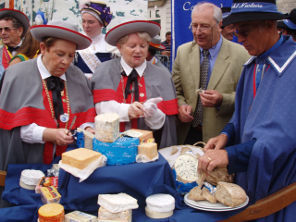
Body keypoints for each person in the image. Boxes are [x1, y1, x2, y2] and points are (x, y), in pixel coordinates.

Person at [198, 0, 296, 220]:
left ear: (271, 25)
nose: (239, 39)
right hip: (249, 176)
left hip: (280, 184)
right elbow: (243, 117)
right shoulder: (253, 64)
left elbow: (278, 140)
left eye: (245, 32)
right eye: (236, 33)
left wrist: (229, 155)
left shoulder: (292, 66)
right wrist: (226, 134)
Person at [0, 20, 96, 171]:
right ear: (43, 48)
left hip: (69, 165)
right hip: (27, 164)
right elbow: (11, 129)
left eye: (71, 56)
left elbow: (85, 116)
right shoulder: (16, 75)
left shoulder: (77, 76)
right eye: (60, 54)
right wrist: (47, 134)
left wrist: (88, 129)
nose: (65, 62)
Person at [92, 20, 178, 148]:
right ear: (120, 47)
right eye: (132, 46)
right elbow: (100, 109)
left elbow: (165, 124)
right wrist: (128, 110)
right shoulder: (104, 70)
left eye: (143, 46)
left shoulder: (162, 75)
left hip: (148, 149)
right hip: (110, 147)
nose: (138, 51)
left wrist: (153, 114)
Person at [172, 2, 249, 145]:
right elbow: (175, 91)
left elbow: (248, 98)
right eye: (194, 25)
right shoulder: (182, 52)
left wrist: (222, 100)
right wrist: (181, 106)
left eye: (204, 26)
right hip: (187, 134)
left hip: (221, 138)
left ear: (220, 25)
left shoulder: (241, 55)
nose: (198, 32)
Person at [75, 0, 114, 78]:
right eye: (83, 21)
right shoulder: (76, 41)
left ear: (101, 24)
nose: (86, 26)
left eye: (91, 22)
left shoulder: (110, 44)